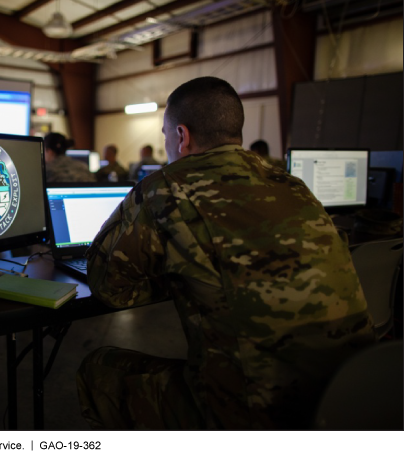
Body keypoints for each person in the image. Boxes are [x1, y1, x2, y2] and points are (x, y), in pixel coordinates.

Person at [77, 76, 376, 430]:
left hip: (255, 415)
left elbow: (107, 285)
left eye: (165, 134)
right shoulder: (293, 185)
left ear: (181, 136)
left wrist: (177, 276)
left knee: (98, 370)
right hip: (350, 398)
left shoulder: (166, 187)